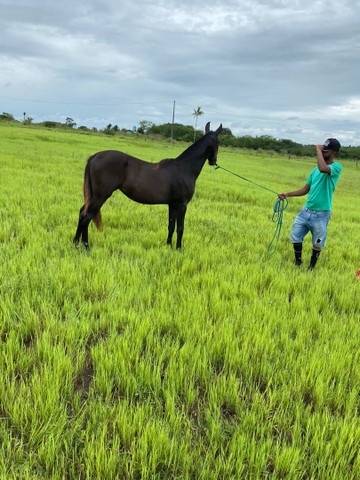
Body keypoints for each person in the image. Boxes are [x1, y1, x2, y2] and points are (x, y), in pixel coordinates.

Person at [278, 138, 342, 270]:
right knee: (295, 236)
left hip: (322, 213)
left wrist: (318, 151)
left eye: (325, 150)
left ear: (333, 153)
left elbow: (323, 168)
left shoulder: (336, 167)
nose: (322, 152)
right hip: (306, 211)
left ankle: (311, 267)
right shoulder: (314, 171)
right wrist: (287, 194)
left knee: (318, 242)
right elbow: (305, 189)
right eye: (322, 149)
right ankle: (298, 262)